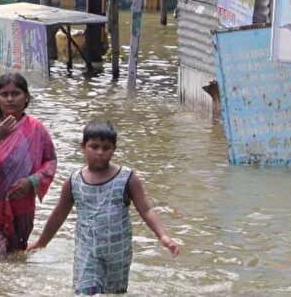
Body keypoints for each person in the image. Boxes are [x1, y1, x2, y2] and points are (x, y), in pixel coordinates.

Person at [28, 120, 180, 294]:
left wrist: (163, 236)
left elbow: (145, 209)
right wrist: (41, 242)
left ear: (114, 149)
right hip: (87, 252)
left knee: (115, 292)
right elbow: (59, 215)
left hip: (118, 253)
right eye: (94, 146)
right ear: (83, 147)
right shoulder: (74, 181)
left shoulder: (127, 178)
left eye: (106, 148)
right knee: (87, 292)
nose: (100, 152)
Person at [0, 72, 57, 256]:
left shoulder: (36, 129)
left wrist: (32, 181)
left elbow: (50, 161)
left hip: (22, 207)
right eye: (4, 94)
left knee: (16, 260)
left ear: (26, 98)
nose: (10, 99)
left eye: (15, 93)